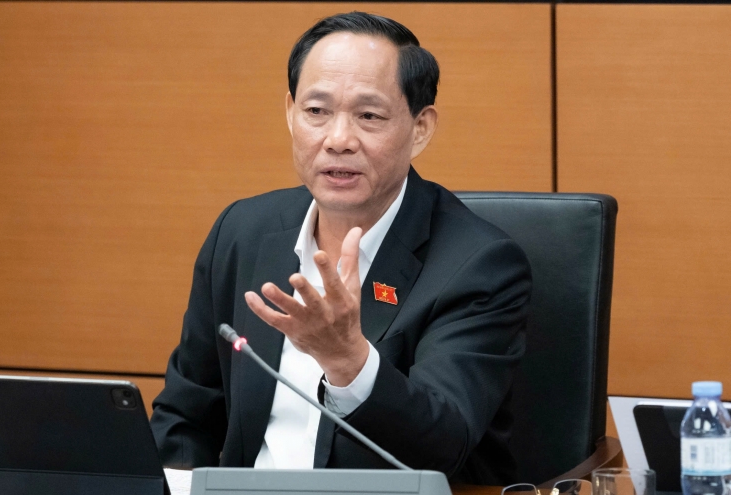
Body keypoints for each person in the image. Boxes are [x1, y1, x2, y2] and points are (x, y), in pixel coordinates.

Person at [150, 11, 532, 485]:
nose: (338, 140)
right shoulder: (242, 231)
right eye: (316, 111)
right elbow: (186, 416)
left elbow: (444, 446)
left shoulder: (479, 265)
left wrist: (349, 362)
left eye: (369, 116)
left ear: (420, 128)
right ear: (290, 113)